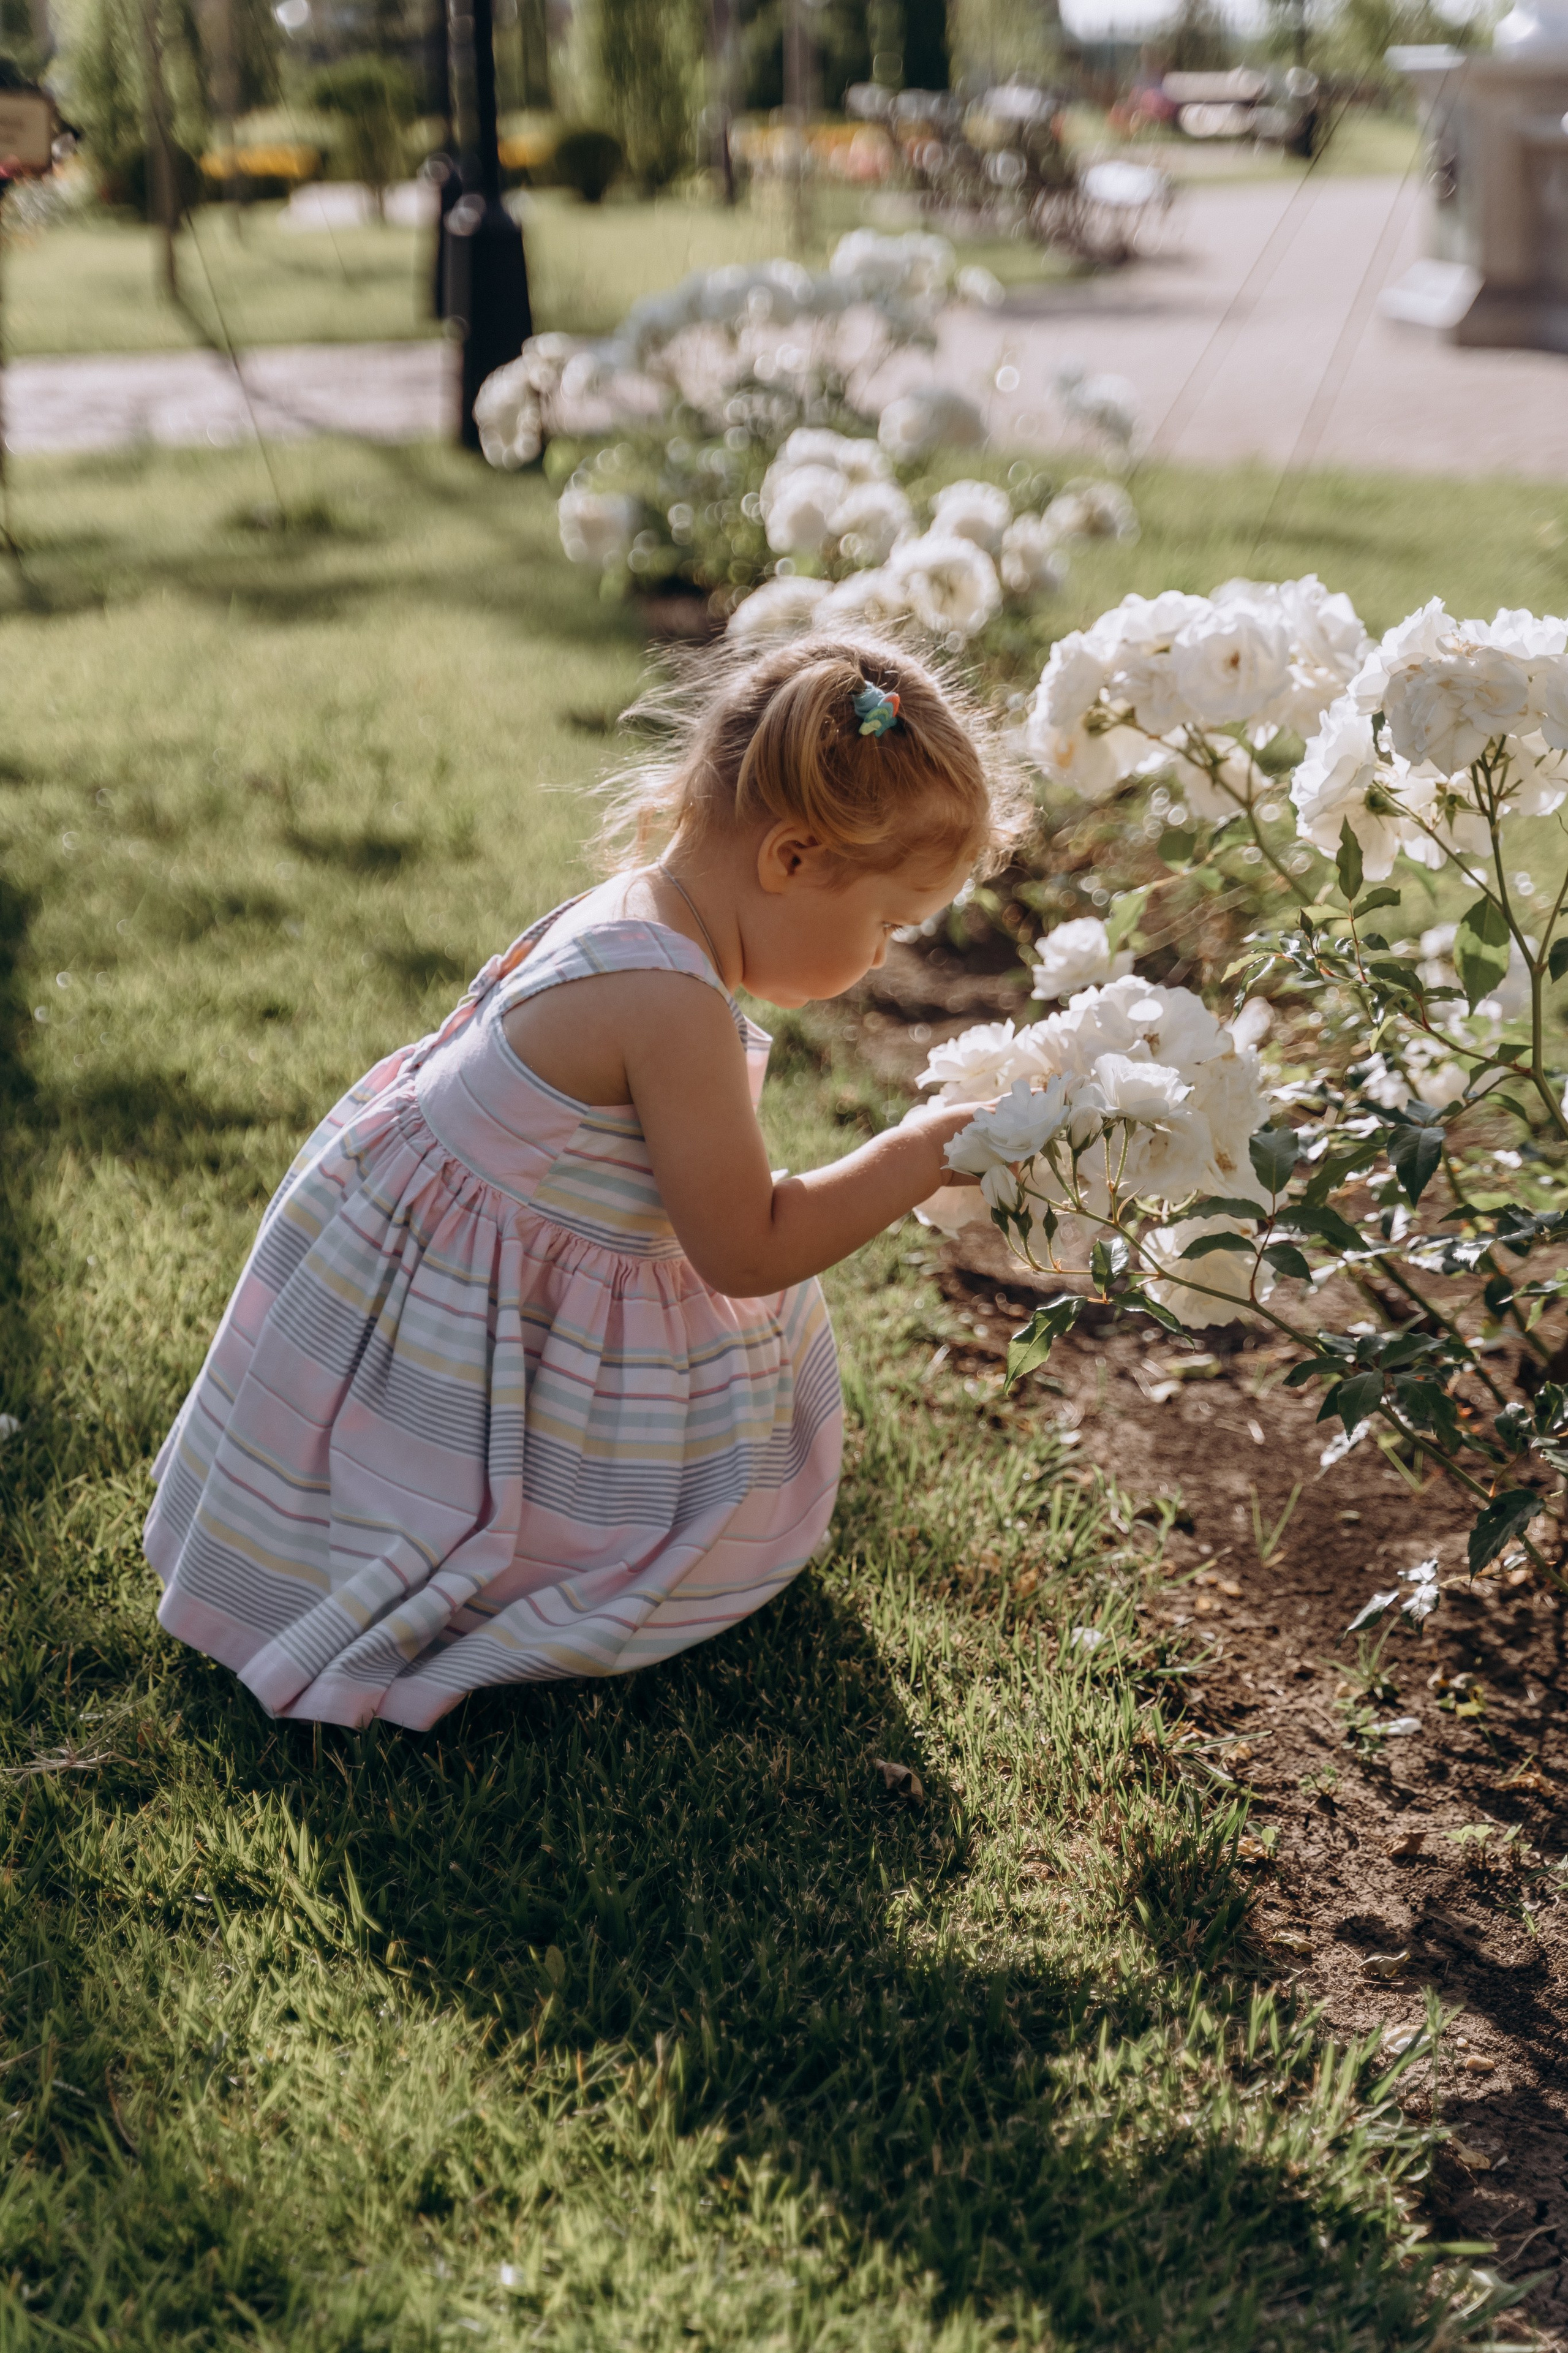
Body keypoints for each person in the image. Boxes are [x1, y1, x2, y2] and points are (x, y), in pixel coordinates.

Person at [144, 635, 1023, 1728]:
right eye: (886, 925)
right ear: (792, 858)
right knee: (627, 1524)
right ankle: (534, 1542)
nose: (880, 958)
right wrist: (917, 1151)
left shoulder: (637, 911)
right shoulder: (667, 998)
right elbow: (747, 1247)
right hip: (446, 1330)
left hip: (415, 1259)